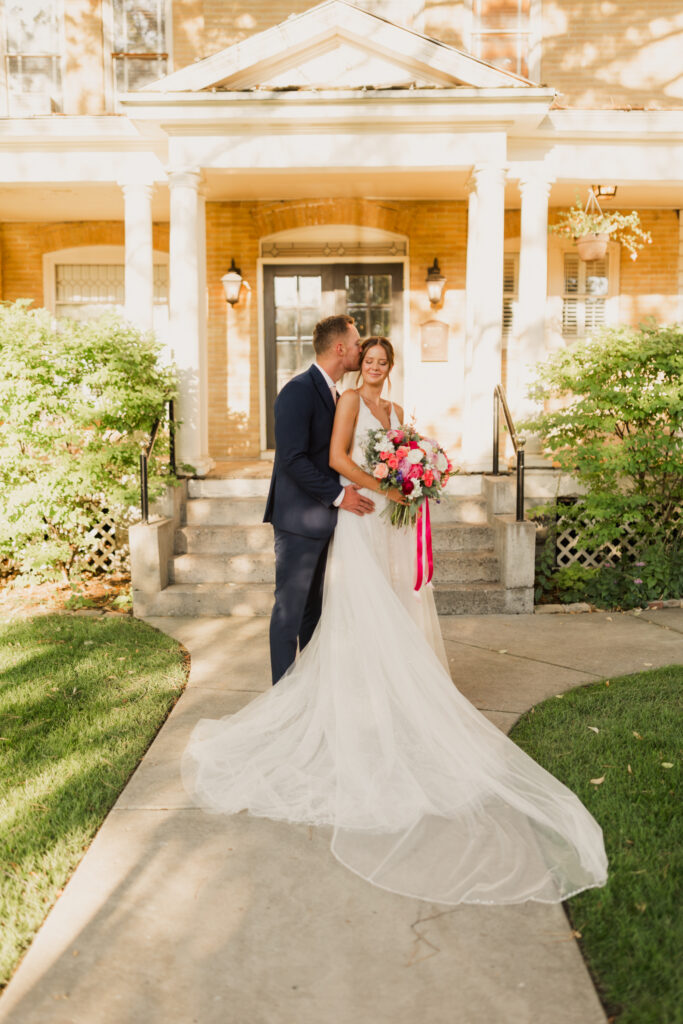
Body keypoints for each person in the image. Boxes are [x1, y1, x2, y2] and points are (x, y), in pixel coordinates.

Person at [181, 337, 608, 906]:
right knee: (358, 609)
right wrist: (384, 487)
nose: (375, 366)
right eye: (370, 358)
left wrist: (417, 481)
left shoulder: (399, 413)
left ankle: (393, 693)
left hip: (391, 522)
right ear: (360, 362)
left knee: (396, 605)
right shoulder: (349, 401)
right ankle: (344, 701)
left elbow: (405, 455)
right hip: (361, 514)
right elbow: (335, 458)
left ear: (392, 367)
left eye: (383, 361)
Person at [263, 314, 375, 685]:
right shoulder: (297, 391)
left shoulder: (338, 394)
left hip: (325, 520)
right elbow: (291, 458)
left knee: (314, 613)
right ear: (340, 348)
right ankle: (282, 695)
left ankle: (308, 691)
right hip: (298, 522)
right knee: (289, 613)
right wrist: (339, 495)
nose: (362, 349)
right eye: (358, 344)